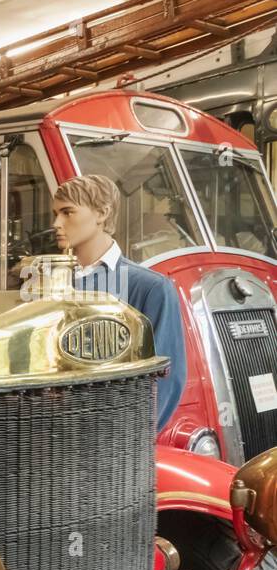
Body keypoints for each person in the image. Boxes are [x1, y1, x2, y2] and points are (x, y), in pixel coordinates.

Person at [52, 174, 186, 429]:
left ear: (101, 214)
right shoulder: (46, 284)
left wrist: (127, 444)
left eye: (68, 212)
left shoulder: (150, 288)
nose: (57, 223)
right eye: (56, 213)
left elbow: (165, 381)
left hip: (115, 448)